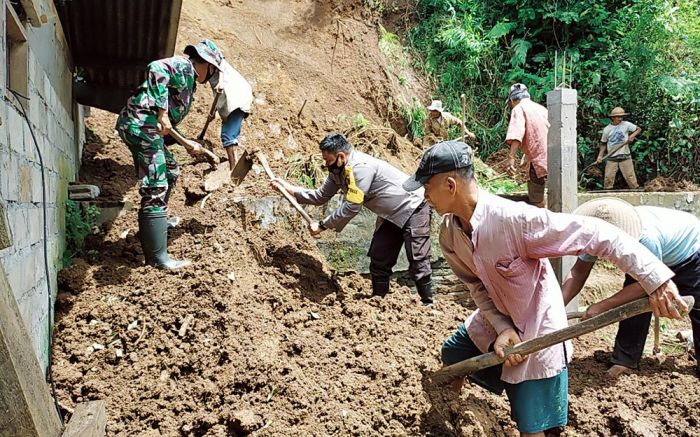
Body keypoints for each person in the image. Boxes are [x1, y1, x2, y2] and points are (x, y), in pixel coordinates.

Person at [403, 141, 686, 436]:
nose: (424, 195)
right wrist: (501, 326)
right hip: (495, 318)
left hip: (537, 327)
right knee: (454, 354)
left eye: (426, 186)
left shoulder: (515, 221)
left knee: (532, 425)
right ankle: (456, 417)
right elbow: (476, 286)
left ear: (450, 185)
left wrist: (656, 279)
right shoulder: (450, 234)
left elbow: (600, 233)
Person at [272, 133, 434, 305]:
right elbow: (320, 196)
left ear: (341, 157)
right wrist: (286, 187)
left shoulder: (360, 168)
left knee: (418, 258)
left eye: (328, 160)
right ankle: (381, 302)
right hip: (390, 215)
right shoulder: (337, 171)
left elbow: (352, 206)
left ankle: (427, 304)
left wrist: (322, 225)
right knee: (379, 257)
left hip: (413, 206)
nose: (326, 165)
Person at [562, 198, 700, 377]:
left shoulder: (644, 239)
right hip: (656, 258)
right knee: (632, 306)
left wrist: (603, 305)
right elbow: (578, 273)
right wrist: (555, 306)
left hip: (690, 252)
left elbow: (649, 283)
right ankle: (624, 360)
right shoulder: (596, 233)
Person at [116, 43, 224, 269]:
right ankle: (157, 258)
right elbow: (157, 67)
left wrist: (189, 144)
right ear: (206, 63)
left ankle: (158, 224)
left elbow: (166, 126)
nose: (211, 75)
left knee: (171, 169)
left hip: (147, 129)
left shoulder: (189, 81)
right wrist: (163, 113)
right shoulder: (185, 67)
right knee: (156, 184)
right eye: (212, 69)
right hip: (141, 127)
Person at [185, 40, 253, 169]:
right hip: (233, 97)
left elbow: (221, 80)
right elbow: (217, 94)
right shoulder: (211, 71)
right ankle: (235, 165)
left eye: (195, 63)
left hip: (237, 97)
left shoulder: (218, 67)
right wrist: (213, 112)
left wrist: (221, 83)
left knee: (228, 134)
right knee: (230, 134)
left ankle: (234, 169)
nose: (193, 68)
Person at [505, 83, 549, 208]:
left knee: (536, 200)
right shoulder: (541, 109)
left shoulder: (518, 109)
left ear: (513, 100)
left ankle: (541, 217)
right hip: (552, 158)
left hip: (538, 160)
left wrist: (511, 158)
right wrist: (526, 155)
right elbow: (539, 135)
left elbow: (517, 133)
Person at [595, 107, 641, 189]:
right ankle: (608, 194)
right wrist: (600, 156)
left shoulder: (626, 124)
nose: (620, 119)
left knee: (631, 178)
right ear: (613, 118)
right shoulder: (607, 129)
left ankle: (635, 192)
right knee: (608, 178)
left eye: (622, 116)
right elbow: (603, 143)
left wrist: (632, 136)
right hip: (612, 157)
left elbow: (638, 129)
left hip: (625, 155)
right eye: (618, 117)